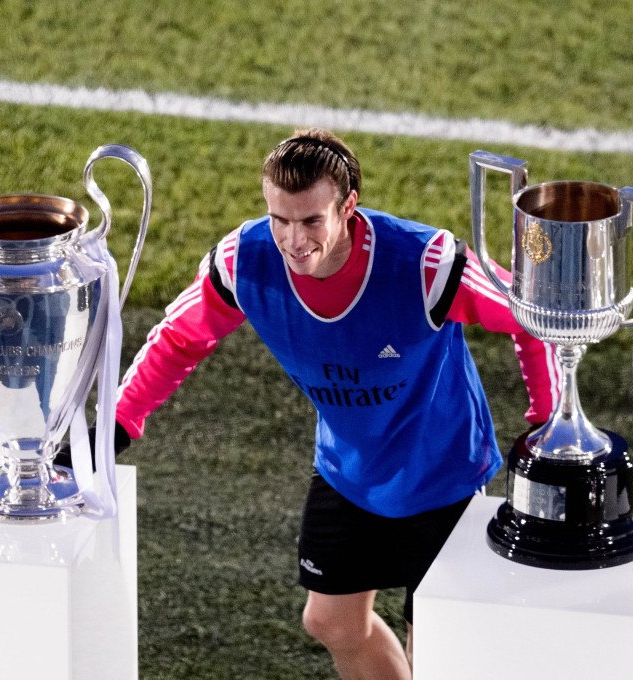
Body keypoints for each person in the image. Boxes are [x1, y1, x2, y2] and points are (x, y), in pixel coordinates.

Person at [100, 128, 558, 678]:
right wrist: (120, 421)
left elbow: (534, 317)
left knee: (438, 645)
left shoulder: (425, 265)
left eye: (312, 221)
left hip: (443, 479)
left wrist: (547, 419)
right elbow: (179, 339)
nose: (294, 241)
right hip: (348, 472)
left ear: (348, 208)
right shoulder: (243, 263)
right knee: (331, 622)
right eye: (280, 220)